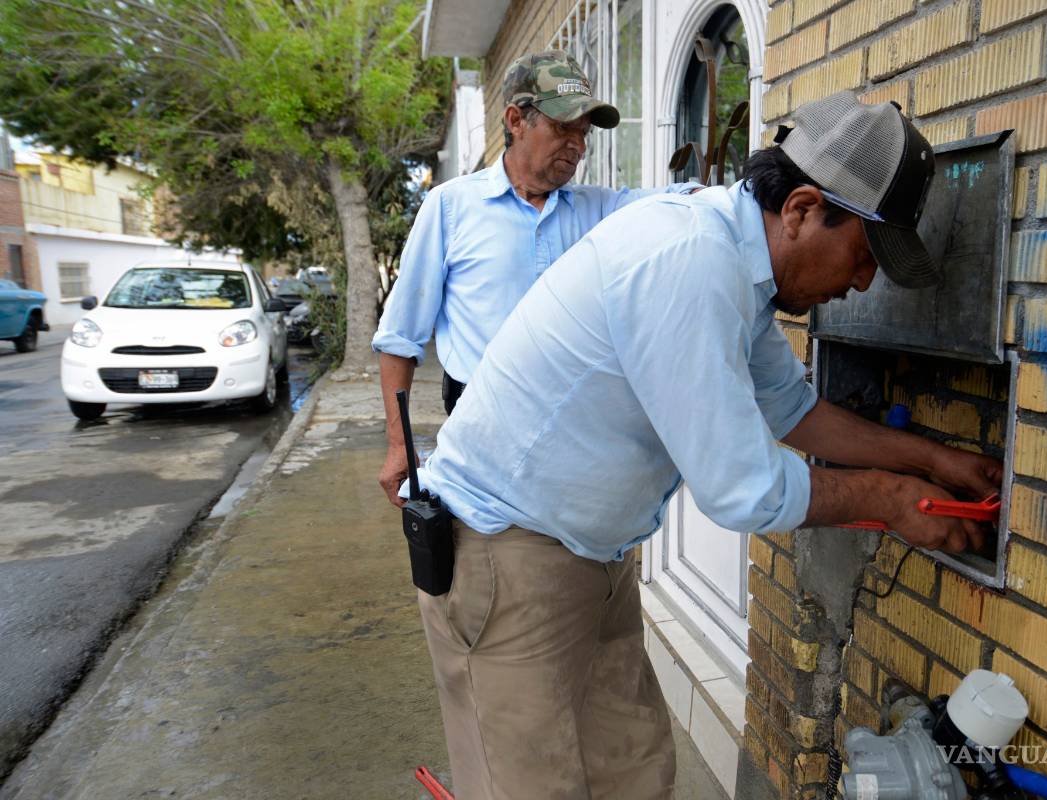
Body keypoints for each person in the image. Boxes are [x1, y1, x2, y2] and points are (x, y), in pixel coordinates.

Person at [403, 91, 1004, 798]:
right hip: (503, 555)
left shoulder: (737, 262)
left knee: (633, 768)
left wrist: (931, 461)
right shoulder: (688, 260)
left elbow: (791, 409)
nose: (864, 280)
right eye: (866, 252)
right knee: (529, 784)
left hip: (587, 555)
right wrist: (892, 498)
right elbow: (742, 488)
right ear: (804, 210)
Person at [372, 50, 699, 509]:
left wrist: (735, 199)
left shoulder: (598, 209)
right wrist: (398, 446)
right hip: (482, 426)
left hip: (578, 427)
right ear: (516, 120)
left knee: (567, 556)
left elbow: (675, 201)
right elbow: (399, 339)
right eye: (564, 127)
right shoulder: (450, 208)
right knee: (489, 557)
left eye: (583, 133)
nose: (578, 145)